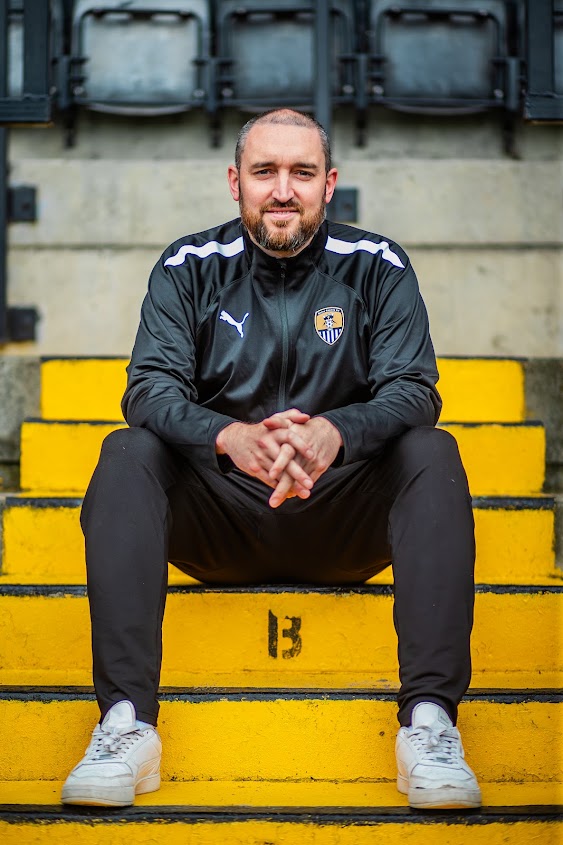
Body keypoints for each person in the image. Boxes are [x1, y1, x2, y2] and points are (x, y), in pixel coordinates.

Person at [61, 108, 480, 810]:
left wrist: (333, 433)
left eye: (301, 173)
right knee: (126, 450)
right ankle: (125, 723)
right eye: (264, 172)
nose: (282, 190)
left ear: (329, 184)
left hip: (342, 520)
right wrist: (230, 438)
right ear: (235, 182)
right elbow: (149, 387)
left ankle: (429, 722)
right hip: (218, 522)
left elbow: (414, 390)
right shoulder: (187, 266)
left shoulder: (377, 265)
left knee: (430, 450)